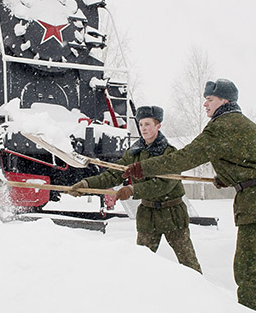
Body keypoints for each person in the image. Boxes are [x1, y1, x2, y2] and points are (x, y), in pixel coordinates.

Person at [121, 80, 256, 313]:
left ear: (224, 102)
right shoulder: (247, 125)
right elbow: (254, 157)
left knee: (246, 268)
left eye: (210, 99)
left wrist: (143, 167)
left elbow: (183, 158)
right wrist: (228, 176)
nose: (205, 103)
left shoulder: (220, 127)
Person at [69, 105, 202, 273]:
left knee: (189, 265)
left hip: (173, 214)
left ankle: (200, 295)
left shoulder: (171, 154)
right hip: (148, 215)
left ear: (158, 126)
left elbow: (163, 185)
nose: (143, 128)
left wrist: (132, 190)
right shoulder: (134, 152)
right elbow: (113, 174)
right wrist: (86, 185)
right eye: (141, 125)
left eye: (148, 124)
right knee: (141, 264)